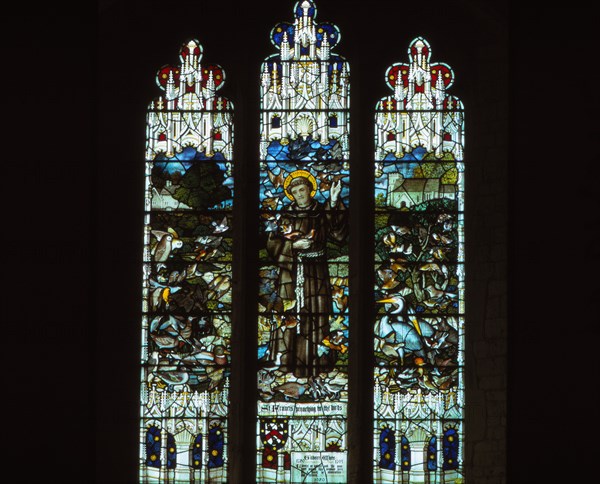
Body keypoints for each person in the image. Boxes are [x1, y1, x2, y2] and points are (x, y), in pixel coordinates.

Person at [266, 169, 348, 378]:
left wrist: (334, 198)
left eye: (303, 189)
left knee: (316, 313)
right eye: (295, 191)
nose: (300, 194)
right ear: (291, 194)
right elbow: (272, 245)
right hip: (290, 273)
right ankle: (286, 363)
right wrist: (293, 246)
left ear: (310, 190)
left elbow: (338, 233)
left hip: (316, 270)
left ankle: (316, 364)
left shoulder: (321, 212)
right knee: (289, 313)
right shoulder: (284, 215)